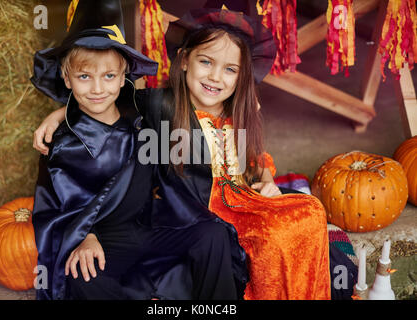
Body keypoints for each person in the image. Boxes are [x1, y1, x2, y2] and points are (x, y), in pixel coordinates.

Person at [34, 3, 357, 300]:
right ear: (185, 60)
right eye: (206, 62)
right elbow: (112, 98)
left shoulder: (240, 113)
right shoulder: (163, 105)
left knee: (310, 210)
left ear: (241, 76)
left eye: (230, 70)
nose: (216, 77)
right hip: (202, 209)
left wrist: (268, 177)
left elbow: (256, 156)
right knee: (272, 230)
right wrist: (60, 114)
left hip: (246, 199)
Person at [31, 0, 241, 300]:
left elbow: (194, 101)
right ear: (67, 79)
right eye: (84, 77)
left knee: (211, 235)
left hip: (147, 230)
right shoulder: (62, 145)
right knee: (81, 276)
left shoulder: (143, 116)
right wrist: (85, 236)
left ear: (123, 76)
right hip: (101, 243)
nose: (97, 89)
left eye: (108, 76)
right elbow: (50, 210)